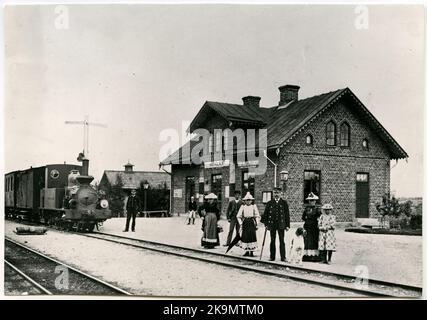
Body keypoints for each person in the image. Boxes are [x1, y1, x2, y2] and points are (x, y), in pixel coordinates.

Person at [261, 187, 290, 262]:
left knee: (282, 240)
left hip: (281, 224)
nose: (276, 194)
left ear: (280, 194)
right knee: (272, 240)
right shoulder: (269, 203)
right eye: (275, 193)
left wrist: (287, 225)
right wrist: (266, 224)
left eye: (278, 193)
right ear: (273, 194)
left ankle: (283, 257)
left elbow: (287, 215)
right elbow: (265, 215)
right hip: (272, 224)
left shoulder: (284, 203)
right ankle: (272, 257)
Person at [236, 192, 260, 257]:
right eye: (247, 200)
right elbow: (238, 216)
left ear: (251, 201)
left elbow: (257, 215)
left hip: (251, 222)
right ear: (245, 201)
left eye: (249, 200)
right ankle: (246, 251)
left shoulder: (254, 206)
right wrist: (241, 223)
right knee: (245, 236)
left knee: (251, 236)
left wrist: (257, 223)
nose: (248, 201)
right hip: (245, 222)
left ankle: (251, 252)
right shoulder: (243, 207)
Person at [301, 192, 322, 262]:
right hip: (307, 226)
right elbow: (303, 217)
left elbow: (320, 217)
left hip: (314, 227)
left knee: (314, 240)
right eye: (310, 201)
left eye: (313, 200)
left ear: (315, 201)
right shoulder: (306, 209)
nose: (311, 202)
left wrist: (317, 222)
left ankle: (314, 255)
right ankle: (307, 255)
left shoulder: (318, 209)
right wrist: (307, 221)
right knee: (307, 240)